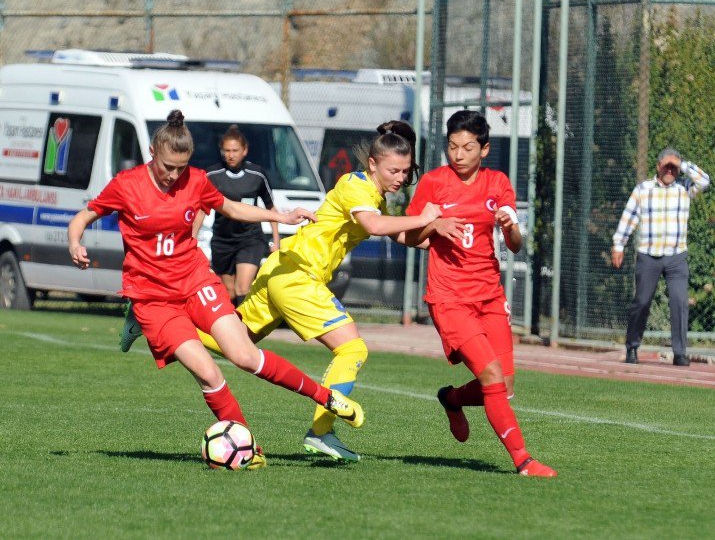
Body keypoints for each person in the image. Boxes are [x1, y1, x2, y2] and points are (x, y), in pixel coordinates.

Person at [68, 110, 362, 469]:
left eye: (181, 167)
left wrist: (280, 217)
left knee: (245, 356)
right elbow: (84, 216)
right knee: (209, 373)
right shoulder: (127, 184)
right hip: (153, 298)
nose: (174, 175)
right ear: (151, 153)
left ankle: (327, 397)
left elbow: (231, 208)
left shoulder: (195, 180)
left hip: (195, 280)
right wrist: (75, 242)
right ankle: (249, 450)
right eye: (167, 167)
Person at [195, 120, 441, 462]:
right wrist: (424, 217)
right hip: (299, 276)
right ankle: (323, 432)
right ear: (373, 165)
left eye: (405, 170)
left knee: (237, 344)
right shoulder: (356, 186)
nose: (401, 177)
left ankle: (161, 324)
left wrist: (438, 236)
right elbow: (374, 225)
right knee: (353, 349)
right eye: (394, 170)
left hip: (282, 267)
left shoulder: (372, 194)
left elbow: (396, 233)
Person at [404, 110, 556, 478]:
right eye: (452, 146)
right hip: (449, 297)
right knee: (490, 374)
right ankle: (523, 460)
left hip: (489, 296)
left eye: (467, 147)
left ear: (484, 149)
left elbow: (516, 246)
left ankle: (452, 399)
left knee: (504, 383)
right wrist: (433, 224)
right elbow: (409, 236)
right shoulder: (434, 183)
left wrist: (510, 226)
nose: (458, 154)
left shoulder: (498, 183)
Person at [612, 148, 710, 365]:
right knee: (642, 302)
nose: (669, 171)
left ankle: (680, 353)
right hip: (649, 255)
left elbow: (704, 181)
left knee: (679, 301)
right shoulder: (643, 189)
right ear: (658, 167)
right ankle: (632, 347)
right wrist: (619, 245)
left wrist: (682, 164)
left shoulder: (684, 188)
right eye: (666, 166)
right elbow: (629, 217)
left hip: (676, 256)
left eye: (673, 168)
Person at [195, 125, 280, 306]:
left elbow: (271, 208)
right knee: (229, 292)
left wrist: (276, 240)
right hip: (222, 240)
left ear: (245, 150)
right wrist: (191, 239)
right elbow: (201, 209)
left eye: (235, 150)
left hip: (251, 238)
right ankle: (230, 328)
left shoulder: (257, 174)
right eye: (227, 150)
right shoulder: (212, 175)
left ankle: (245, 331)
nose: (231, 155)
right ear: (221, 151)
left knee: (243, 287)